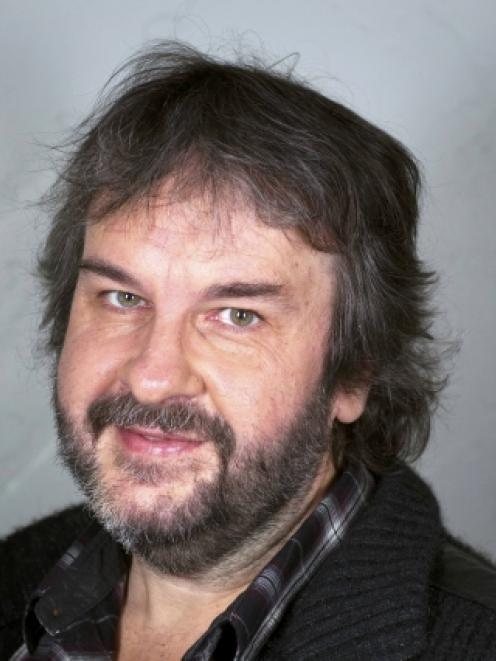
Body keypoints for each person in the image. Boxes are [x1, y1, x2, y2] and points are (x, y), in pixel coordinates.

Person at [1, 42, 495, 661]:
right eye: (123, 297)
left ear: (354, 374)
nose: (153, 379)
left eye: (237, 316)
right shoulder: (14, 578)